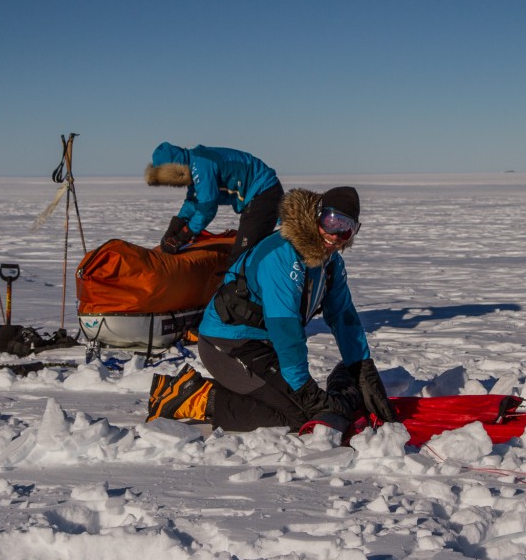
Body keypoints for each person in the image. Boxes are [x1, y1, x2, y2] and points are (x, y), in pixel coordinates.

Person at [146, 186, 397, 435]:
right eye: (332, 221)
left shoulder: (330, 263)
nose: (336, 235)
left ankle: (333, 389)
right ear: (316, 216)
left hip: (266, 347)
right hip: (228, 345)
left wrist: (361, 367)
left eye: (347, 228)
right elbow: (285, 328)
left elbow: (344, 316)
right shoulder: (282, 256)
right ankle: (192, 395)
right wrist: (304, 389)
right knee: (299, 415)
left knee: (313, 406)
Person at [145, 142, 284, 264]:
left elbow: (207, 208)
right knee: (247, 250)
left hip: (263, 192)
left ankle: (241, 290)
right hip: (259, 195)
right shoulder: (194, 162)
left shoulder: (200, 166)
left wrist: (183, 236)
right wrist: (175, 226)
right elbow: (193, 201)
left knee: (240, 258)